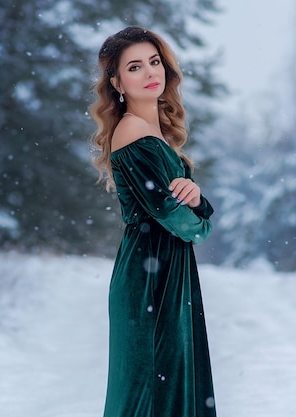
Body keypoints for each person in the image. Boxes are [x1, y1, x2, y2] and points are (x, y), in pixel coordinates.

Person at [90, 26, 217, 417]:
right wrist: (200, 216)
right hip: (149, 281)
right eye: (134, 67)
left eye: (155, 61)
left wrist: (195, 200)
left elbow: (187, 216)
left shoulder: (157, 134)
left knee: (169, 390)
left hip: (165, 272)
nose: (150, 73)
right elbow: (179, 222)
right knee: (148, 395)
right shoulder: (132, 132)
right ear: (117, 83)